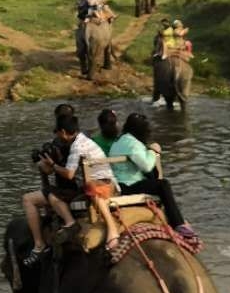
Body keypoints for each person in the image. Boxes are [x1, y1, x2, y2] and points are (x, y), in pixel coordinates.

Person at [21, 114, 115, 266]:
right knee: (52, 193)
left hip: (94, 185)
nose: (57, 136)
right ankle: (67, 223)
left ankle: (39, 244)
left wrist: (53, 165)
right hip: (101, 181)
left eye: (58, 132)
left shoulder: (76, 146)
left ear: (63, 132)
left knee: (30, 198)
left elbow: (69, 174)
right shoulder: (84, 140)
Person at [107, 111, 198, 247]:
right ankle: (178, 223)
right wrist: (153, 151)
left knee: (157, 183)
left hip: (121, 182)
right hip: (129, 185)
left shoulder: (119, 141)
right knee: (163, 184)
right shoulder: (132, 143)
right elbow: (147, 166)